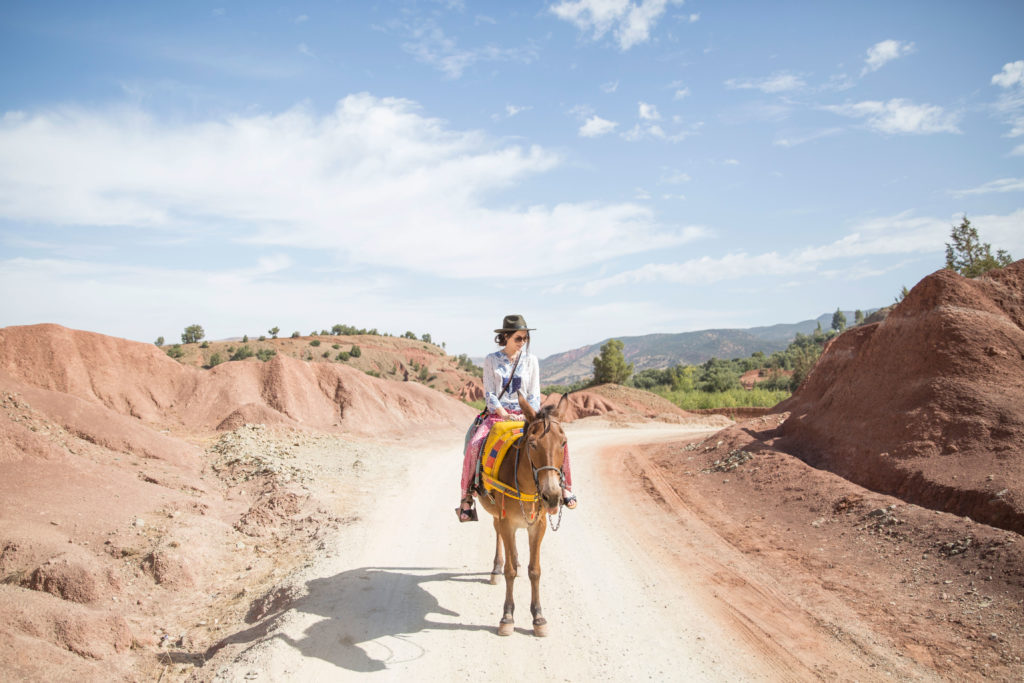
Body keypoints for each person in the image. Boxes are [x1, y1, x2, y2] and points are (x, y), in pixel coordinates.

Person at [458, 314, 576, 522]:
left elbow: (534, 392)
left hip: (526, 416)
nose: (523, 343)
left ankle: (565, 487)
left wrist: (528, 413)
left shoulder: (531, 361)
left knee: (557, 441)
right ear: (505, 337)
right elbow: (490, 393)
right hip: (498, 415)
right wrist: (502, 411)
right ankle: (467, 496)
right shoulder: (491, 360)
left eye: (525, 338)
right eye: (518, 338)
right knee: (475, 443)